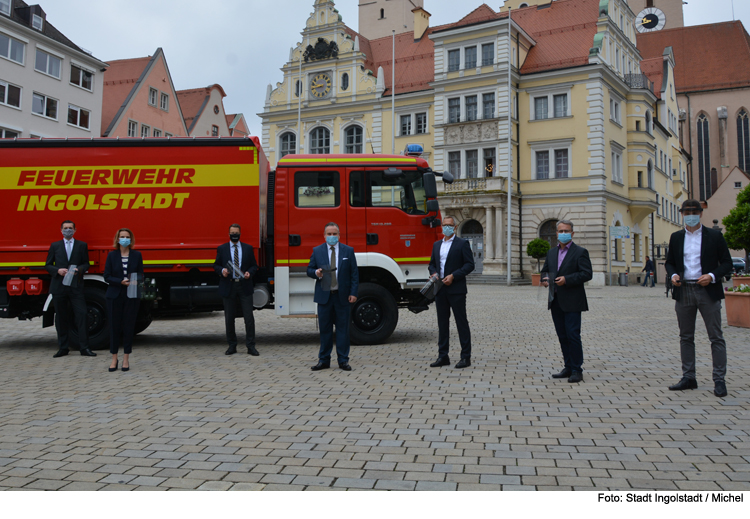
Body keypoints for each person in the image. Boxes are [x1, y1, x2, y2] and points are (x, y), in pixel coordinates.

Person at [665, 199, 733, 397]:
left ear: (701, 213)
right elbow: (670, 263)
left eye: (694, 211)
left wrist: (712, 276)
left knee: (716, 336)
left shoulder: (714, 236)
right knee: (686, 336)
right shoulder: (676, 237)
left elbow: (727, 263)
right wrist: (674, 275)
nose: (691, 214)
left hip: (707, 290)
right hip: (684, 288)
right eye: (687, 212)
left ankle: (719, 380)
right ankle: (689, 377)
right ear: (682, 214)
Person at [540, 219, 592, 383]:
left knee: (573, 335)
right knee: (562, 335)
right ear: (556, 233)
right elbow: (544, 271)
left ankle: (577, 369)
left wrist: (567, 279)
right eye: (560, 231)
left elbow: (586, 274)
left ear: (572, 233)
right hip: (555, 299)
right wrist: (545, 279)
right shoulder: (551, 252)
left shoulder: (580, 252)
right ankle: (568, 366)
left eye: (566, 231)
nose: (563, 234)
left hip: (572, 300)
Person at [307, 222, 358, 371]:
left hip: (342, 297)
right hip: (325, 297)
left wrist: (353, 293)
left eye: (334, 234)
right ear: (324, 236)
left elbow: (354, 274)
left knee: (343, 330)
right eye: (329, 234)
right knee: (325, 330)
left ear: (339, 235)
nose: (332, 237)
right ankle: (324, 360)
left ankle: (343, 360)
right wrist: (316, 273)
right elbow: (309, 269)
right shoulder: (317, 251)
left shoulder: (348, 251)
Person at [427, 216, 475, 369]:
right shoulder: (436, 245)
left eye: (449, 225)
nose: (446, 227)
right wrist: (434, 273)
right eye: (444, 225)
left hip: (456, 289)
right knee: (442, 323)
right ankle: (443, 356)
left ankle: (465, 357)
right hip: (440, 289)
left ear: (454, 227)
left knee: (461, 322)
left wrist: (454, 276)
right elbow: (432, 264)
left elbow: (469, 265)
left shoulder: (462, 244)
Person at [45, 220, 96, 358]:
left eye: (70, 228)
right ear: (61, 230)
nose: (68, 230)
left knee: (82, 315)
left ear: (75, 230)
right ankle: (63, 348)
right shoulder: (55, 246)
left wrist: (79, 270)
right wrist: (57, 271)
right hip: (59, 286)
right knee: (61, 318)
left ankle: (84, 348)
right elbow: (48, 265)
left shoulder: (81, 245)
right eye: (65, 228)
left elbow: (86, 263)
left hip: (75, 286)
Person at [214, 224, 259, 356]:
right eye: (232, 232)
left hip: (244, 285)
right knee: (229, 317)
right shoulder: (222, 249)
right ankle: (232, 345)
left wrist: (249, 273)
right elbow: (216, 265)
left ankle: (251, 346)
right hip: (229, 285)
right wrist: (222, 271)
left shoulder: (248, 248)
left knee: (249, 317)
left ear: (240, 234)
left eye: (237, 233)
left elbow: (254, 265)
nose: (234, 235)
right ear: (228, 234)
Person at [103, 228, 143, 372]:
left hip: (131, 296)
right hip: (114, 295)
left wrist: (135, 281)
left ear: (130, 239)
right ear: (117, 239)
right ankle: (114, 358)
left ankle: (126, 358)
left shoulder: (137, 255)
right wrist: (120, 281)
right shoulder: (111, 255)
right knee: (114, 327)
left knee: (128, 327)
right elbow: (106, 276)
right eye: (122, 237)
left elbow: (140, 274)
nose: (125, 239)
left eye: (127, 237)